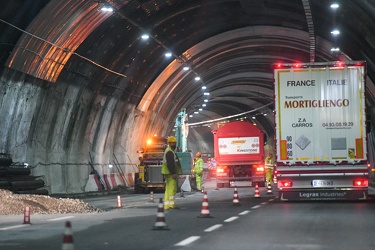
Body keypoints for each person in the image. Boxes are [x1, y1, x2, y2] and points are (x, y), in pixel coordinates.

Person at [161, 136, 182, 210]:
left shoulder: (170, 151)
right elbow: (170, 163)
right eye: (172, 143)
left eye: (174, 143)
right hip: (170, 173)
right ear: (169, 143)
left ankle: (167, 205)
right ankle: (171, 205)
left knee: (168, 189)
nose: (173, 144)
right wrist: (173, 173)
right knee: (172, 189)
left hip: (167, 173)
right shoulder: (169, 151)